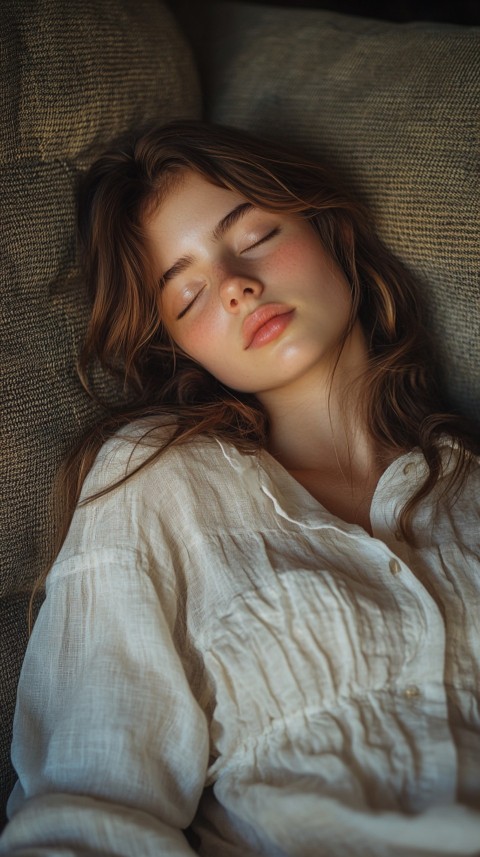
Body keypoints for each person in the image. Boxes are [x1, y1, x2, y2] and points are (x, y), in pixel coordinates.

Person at [1, 120, 479, 857]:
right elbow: (86, 807)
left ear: (329, 230)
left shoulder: (468, 481)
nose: (233, 286)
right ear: (177, 345)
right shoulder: (156, 481)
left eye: (254, 236)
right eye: (187, 294)